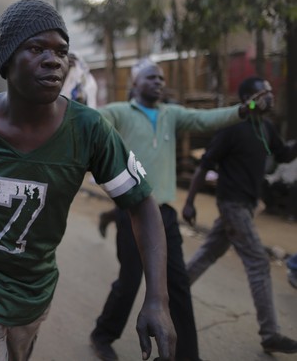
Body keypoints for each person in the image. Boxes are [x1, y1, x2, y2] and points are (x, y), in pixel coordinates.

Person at [0, 0, 177, 361]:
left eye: (62, 51)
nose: (54, 60)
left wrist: (157, 300)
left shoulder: (89, 130)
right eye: (36, 48)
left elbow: (141, 204)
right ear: (7, 61)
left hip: (34, 291)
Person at [90, 58, 258, 361]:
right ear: (135, 83)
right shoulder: (119, 112)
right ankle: (103, 334)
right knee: (130, 281)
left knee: (177, 285)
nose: (159, 82)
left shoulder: (172, 115)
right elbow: (91, 120)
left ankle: (188, 355)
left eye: (161, 78)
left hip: (164, 214)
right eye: (151, 77)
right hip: (131, 212)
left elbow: (207, 120)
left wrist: (245, 110)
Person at [182, 76, 297, 355]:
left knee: (209, 252)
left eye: (271, 91)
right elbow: (204, 165)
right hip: (231, 203)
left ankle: (172, 290)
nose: (270, 96)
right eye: (264, 92)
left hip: (245, 205)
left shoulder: (266, 128)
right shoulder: (231, 128)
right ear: (248, 98)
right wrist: (190, 202)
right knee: (259, 262)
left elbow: (283, 155)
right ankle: (270, 333)